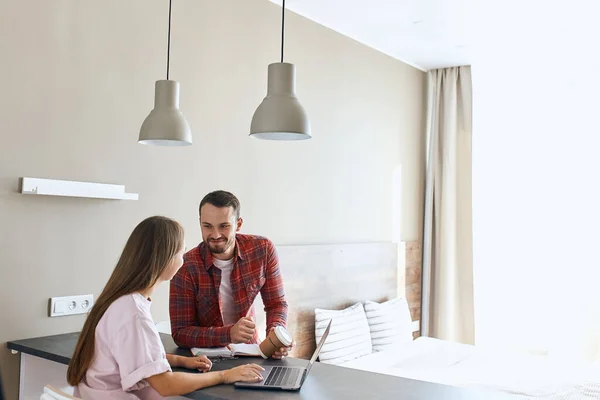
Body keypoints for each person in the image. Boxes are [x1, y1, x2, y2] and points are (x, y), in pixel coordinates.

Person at [66, 216, 264, 399]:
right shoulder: (133, 313)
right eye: (181, 251)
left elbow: (134, 355)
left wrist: (180, 361)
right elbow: (165, 385)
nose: (184, 258)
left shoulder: (120, 301)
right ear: (165, 258)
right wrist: (225, 375)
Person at [170, 190, 293, 358]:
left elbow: (276, 304)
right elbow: (180, 333)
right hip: (206, 360)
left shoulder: (262, 250)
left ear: (238, 224)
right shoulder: (186, 267)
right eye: (207, 226)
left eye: (224, 226)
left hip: (251, 352)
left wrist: (275, 336)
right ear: (200, 223)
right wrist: (228, 334)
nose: (215, 235)